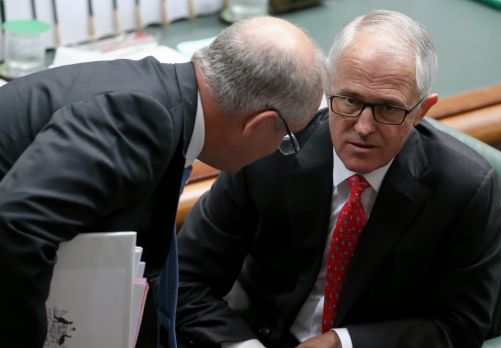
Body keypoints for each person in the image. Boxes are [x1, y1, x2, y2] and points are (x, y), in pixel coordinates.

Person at [175, 10, 501, 348]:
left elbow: (459, 328)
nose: (363, 127)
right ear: (327, 90)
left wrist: (344, 343)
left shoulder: (465, 189)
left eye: (388, 109)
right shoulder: (270, 150)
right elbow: (185, 281)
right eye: (350, 100)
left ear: (422, 110)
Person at [0, 16, 326, 348]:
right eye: (287, 139)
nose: (280, 151)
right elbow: (18, 227)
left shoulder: (167, 102)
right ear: (260, 124)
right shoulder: (142, 119)